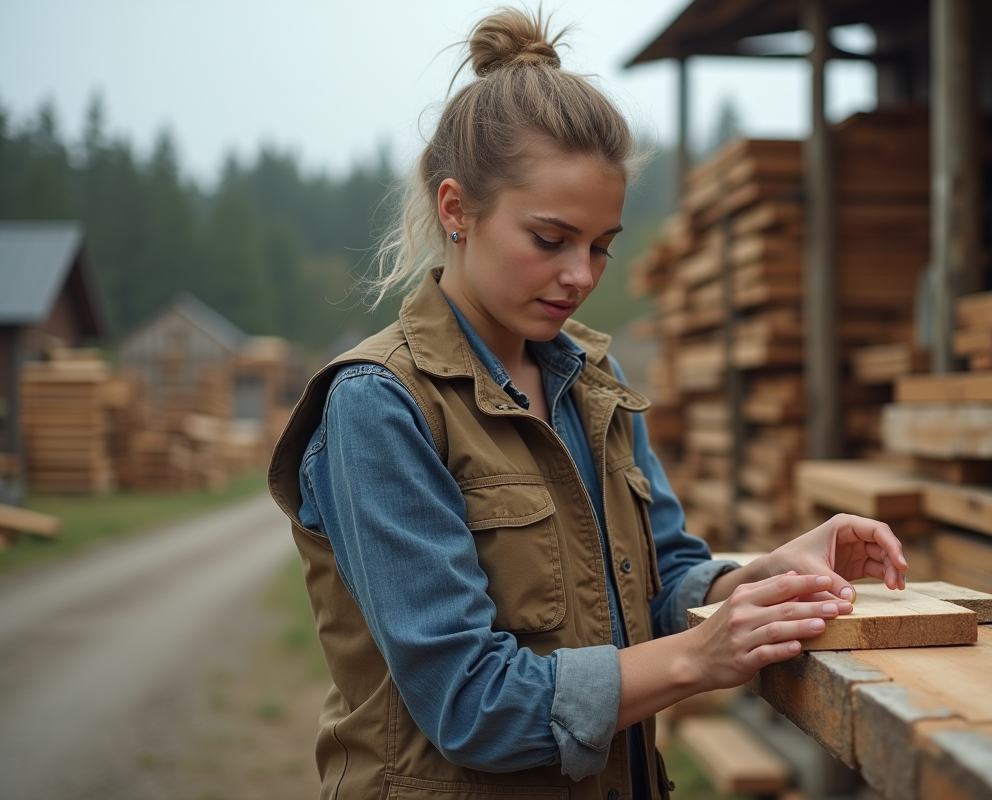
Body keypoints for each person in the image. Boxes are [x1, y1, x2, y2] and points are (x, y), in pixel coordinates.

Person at [268, 7, 907, 800]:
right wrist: (697, 659)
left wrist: (762, 577)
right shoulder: (380, 404)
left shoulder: (593, 382)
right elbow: (470, 704)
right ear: (456, 209)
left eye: (602, 246)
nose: (581, 275)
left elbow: (661, 587)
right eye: (550, 239)